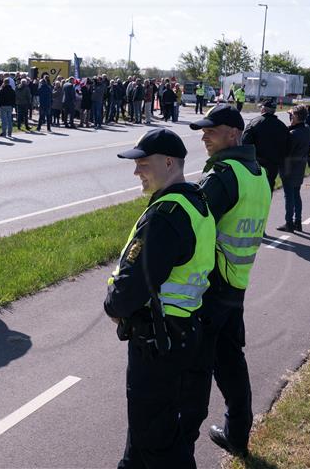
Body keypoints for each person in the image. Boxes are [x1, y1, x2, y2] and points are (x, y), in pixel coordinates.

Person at [105, 128, 215, 469]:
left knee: (158, 442)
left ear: (168, 162)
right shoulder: (194, 202)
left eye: (143, 163)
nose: (136, 171)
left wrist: (113, 305)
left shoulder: (166, 215)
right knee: (146, 437)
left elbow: (134, 283)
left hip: (158, 342)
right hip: (182, 334)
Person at [182, 104, 272, 460]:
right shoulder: (257, 172)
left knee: (197, 366)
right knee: (231, 360)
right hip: (237, 281)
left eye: (211, 130)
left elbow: (193, 228)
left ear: (234, 134)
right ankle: (237, 433)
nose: (204, 136)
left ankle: (180, 443)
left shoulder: (223, 175)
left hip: (211, 285)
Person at [277, 106, 310, 232]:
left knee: (289, 196)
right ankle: (298, 221)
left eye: (291, 115)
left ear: (296, 117)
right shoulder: (307, 129)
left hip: (289, 168)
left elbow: (286, 152)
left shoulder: (293, 134)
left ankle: (289, 222)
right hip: (300, 166)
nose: (290, 118)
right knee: (296, 194)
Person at [242, 99, 288, 190]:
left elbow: (244, 143)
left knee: (253, 189)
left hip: (256, 164)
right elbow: (287, 147)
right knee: (268, 188)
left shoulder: (254, 123)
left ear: (263, 109)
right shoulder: (282, 126)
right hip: (273, 165)